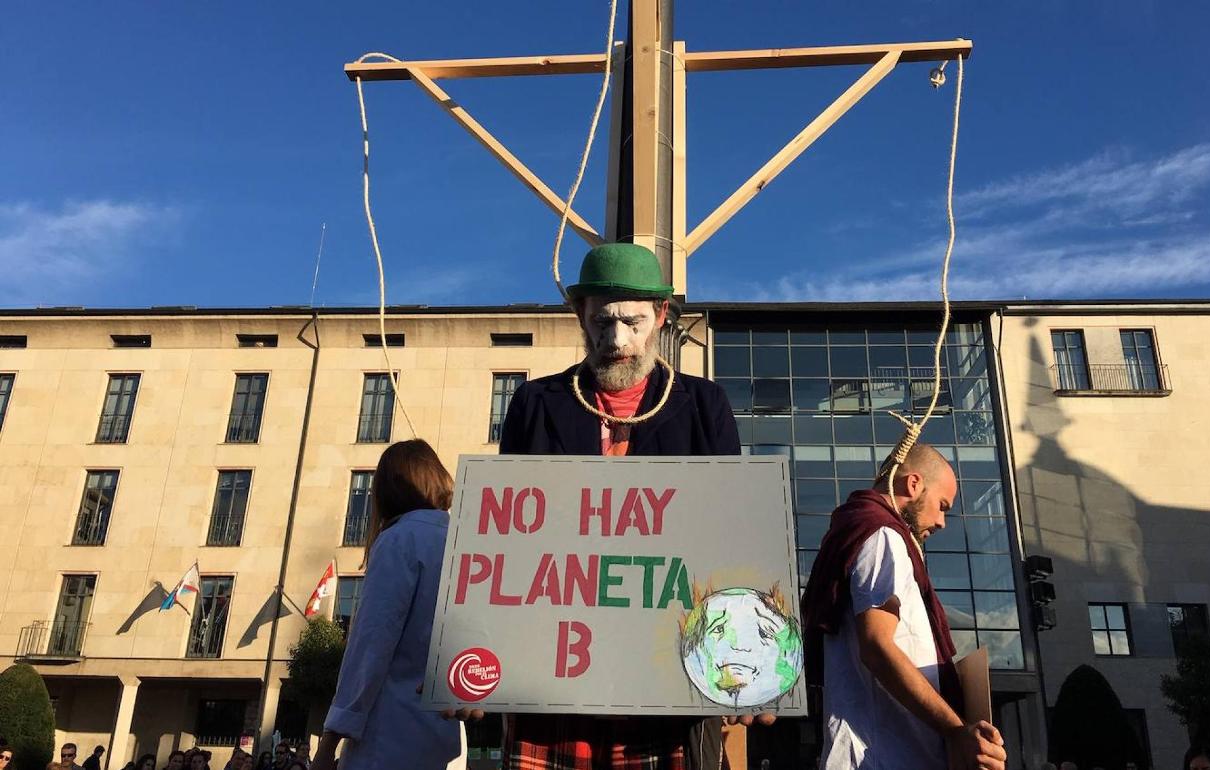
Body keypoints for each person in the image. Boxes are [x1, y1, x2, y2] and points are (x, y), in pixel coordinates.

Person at [496, 242, 742, 769]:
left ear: (660, 317)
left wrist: (750, 664)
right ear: (581, 319)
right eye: (601, 323)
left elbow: (732, 540)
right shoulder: (535, 404)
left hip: (667, 683)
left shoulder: (704, 406)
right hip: (553, 678)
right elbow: (503, 545)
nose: (617, 341)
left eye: (632, 322)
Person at [801, 443, 1007, 770]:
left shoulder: (858, 531)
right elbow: (877, 647)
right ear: (913, 484)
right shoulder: (883, 534)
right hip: (886, 755)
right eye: (942, 505)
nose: (942, 522)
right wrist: (956, 731)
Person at [312, 439, 463, 770]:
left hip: (388, 734)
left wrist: (329, 741)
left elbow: (371, 643)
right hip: (444, 734)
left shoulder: (399, 539)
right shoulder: (462, 540)